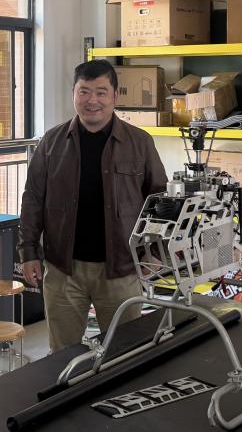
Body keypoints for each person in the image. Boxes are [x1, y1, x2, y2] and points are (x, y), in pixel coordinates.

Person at [19, 59, 168, 352]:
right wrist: (28, 252)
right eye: (84, 92)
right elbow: (33, 198)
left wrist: (154, 251)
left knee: (123, 353)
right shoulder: (52, 142)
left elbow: (159, 200)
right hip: (63, 271)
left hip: (121, 270)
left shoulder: (139, 143)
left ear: (115, 96)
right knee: (63, 355)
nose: (92, 101)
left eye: (101, 92)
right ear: (74, 94)